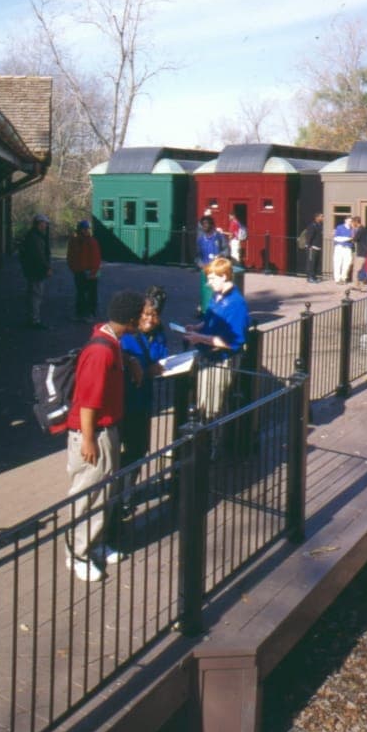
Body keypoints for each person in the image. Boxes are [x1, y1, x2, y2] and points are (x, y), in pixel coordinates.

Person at [65, 289, 146, 582]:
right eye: (141, 314)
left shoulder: (112, 342)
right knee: (88, 494)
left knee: (103, 491)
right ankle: (77, 554)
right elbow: (88, 401)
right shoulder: (100, 352)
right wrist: (88, 439)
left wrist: (131, 361)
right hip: (94, 433)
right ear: (131, 319)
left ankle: (95, 543)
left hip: (105, 430)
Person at [115, 286, 171, 519]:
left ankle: (126, 493)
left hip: (143, 400)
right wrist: (145, 368)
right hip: (126, 401)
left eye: (154, 316)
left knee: (139, 448)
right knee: (126, 449)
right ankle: (120, 498)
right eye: (145, 316)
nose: (149, 320)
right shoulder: (127, 337)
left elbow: (161, 354)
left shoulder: (157, 333)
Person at [184, 256, 250, 420]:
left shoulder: (236, 304)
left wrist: (200, 337)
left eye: (212, 279)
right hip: (208, 356)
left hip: (222, 360)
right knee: (202, 401)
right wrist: (197, 327)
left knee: (214, 407)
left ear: (224, 276)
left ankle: (214, 443)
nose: (209, 283)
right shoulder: (216, 295)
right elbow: (209, 319)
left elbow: (232, 341)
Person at [18, 213, 52, 329]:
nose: (45, 226)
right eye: (44, 223)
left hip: (32, 270)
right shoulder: (35, 238)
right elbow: (40, 256)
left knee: (33, 294)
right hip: (36, 271)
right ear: (39, 224)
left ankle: (32, 318)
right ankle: (34, 320)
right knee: (36, 295)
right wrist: (47, 267)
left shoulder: (32, 236)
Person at [67, 219, 102, 322]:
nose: (86, 231)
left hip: (91, 271)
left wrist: (94, 271)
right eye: (84, 229)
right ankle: (80, 313)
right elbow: (70, 256)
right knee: (80, 293)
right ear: (80, 230)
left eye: (87, 229)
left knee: (92, 294)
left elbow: (97, 259)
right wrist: (73, 268)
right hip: (79, 271)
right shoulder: (74, 241)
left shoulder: (92, 242)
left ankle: (91, 314)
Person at [196, 214, 228, 312]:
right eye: (203, 224)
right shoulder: (200, 239)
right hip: (205, 269)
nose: (205, 226)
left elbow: (226, 250)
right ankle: (203, 309)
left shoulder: (219, 237)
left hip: (218, 269)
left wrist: (220, 256)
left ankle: (218, 310)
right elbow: (197, 256)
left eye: (207, 223)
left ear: (212, 225)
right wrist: (201, 265)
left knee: (217, 290)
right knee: (204, 290)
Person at [300, 212, 325, 283]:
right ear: (317, 217)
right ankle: (310, 277)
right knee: (311, 262)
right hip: (312, 247)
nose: (323, 218)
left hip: (318, 247)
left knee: (316, 263)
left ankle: (314, 276)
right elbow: (309, 237)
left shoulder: (320, 225)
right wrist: (309, 246)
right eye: (321, 216)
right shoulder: (312, 226)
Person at [332, 216, 355, 284]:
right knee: (338, 263)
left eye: (351, 221)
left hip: (348, 247)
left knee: (347, 263)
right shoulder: (340, 227)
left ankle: (343, 278)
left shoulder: (352, 229)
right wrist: (347, 238)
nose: (350, 222)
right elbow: (336, 237)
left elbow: (353, 238)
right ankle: (337, 279)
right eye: (349, 221)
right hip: (339, 247)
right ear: (345, 221)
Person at [351, 216, 367, 284]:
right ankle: (362, 283)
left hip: (361, 252)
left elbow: (354, 239)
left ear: (356, 222)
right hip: (365, 252)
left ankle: (356, 284)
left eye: (353, 222)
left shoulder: (360, 230)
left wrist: (353, 230)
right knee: (363, 269)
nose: (352, 224)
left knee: (356, 270)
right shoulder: (364, 229)